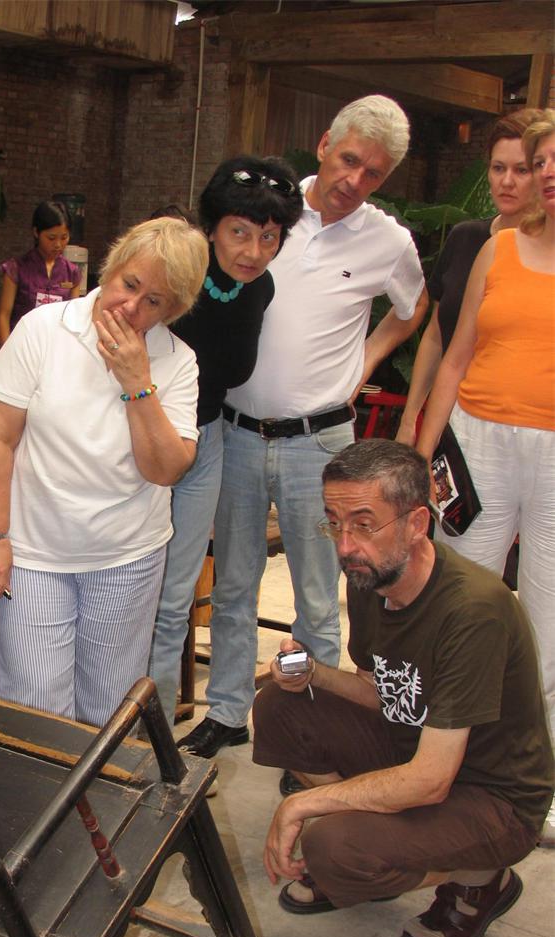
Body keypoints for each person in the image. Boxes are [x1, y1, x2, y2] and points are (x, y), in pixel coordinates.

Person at [178, 96, 428, 763]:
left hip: (320, 446)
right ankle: (227, 711)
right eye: (349, 159)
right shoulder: (272, 216)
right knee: (233, 585)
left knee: (317, 597)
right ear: (324, 144)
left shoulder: (388, 241)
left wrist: (366, 359)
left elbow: (413, 309)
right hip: (234, 433)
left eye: (374, 173)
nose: (355, 179)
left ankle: (307, 733)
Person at [252, 440, 552, 937]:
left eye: (364, 525)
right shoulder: (372, 577)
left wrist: (306, 804)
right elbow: (386, 694)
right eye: (335, 524)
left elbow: (431, 780)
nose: (345, 546)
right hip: (417, 748)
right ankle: (377, 847)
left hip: (494, 798)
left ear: (416, 524)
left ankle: (481, 877)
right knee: (279, 708)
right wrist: (314, 676)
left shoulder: (473, 611)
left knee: (332, 847)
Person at [0, 217, 208, 726]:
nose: (131, 306)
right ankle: (40, 784)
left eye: (154, 301)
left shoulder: (177, 361)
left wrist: (136, 381)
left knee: (110, 710)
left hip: (127, 554)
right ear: (110, 267)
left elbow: (166, 469)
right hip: (34, 550)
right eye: (129, 284)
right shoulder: (43, 329)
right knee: (34, 708)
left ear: (172, 310)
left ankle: (101, 785)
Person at [415, 111, 555, 844]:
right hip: (478, 443)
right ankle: (443, 758)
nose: (546, 172)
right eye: (541, 160)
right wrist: (421, 455)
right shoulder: (498, 249)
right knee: (461, 596)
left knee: (549, 617)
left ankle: (535, 777)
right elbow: (456, 355)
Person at [147, 156, 304, 724]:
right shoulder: (175, 274)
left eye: (269, 237)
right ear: (211, 227)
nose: (253, 252)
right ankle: (100, 725)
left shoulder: (260, 289)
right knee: (127, 590)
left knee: (174, 600)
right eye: (240, 232)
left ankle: (151, 738)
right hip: (143, 436)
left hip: (206, 438)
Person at [397, 107, 543, 447]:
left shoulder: (544, 258)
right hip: (446, 417)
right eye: (498, 168)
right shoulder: (465, 237)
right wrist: (410, 418)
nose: (507, 181)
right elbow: (436, 336)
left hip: (514, 427)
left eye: (521, 170)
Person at [0, 199, 82, 345]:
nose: (58, 244)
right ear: (36, 232)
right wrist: (7, 352)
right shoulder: (16, 269)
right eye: (51, 238)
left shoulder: (72, 273)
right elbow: (3, 316)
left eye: (64, 237)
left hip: (56, 346)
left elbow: (73, 318)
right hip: (23, 345)